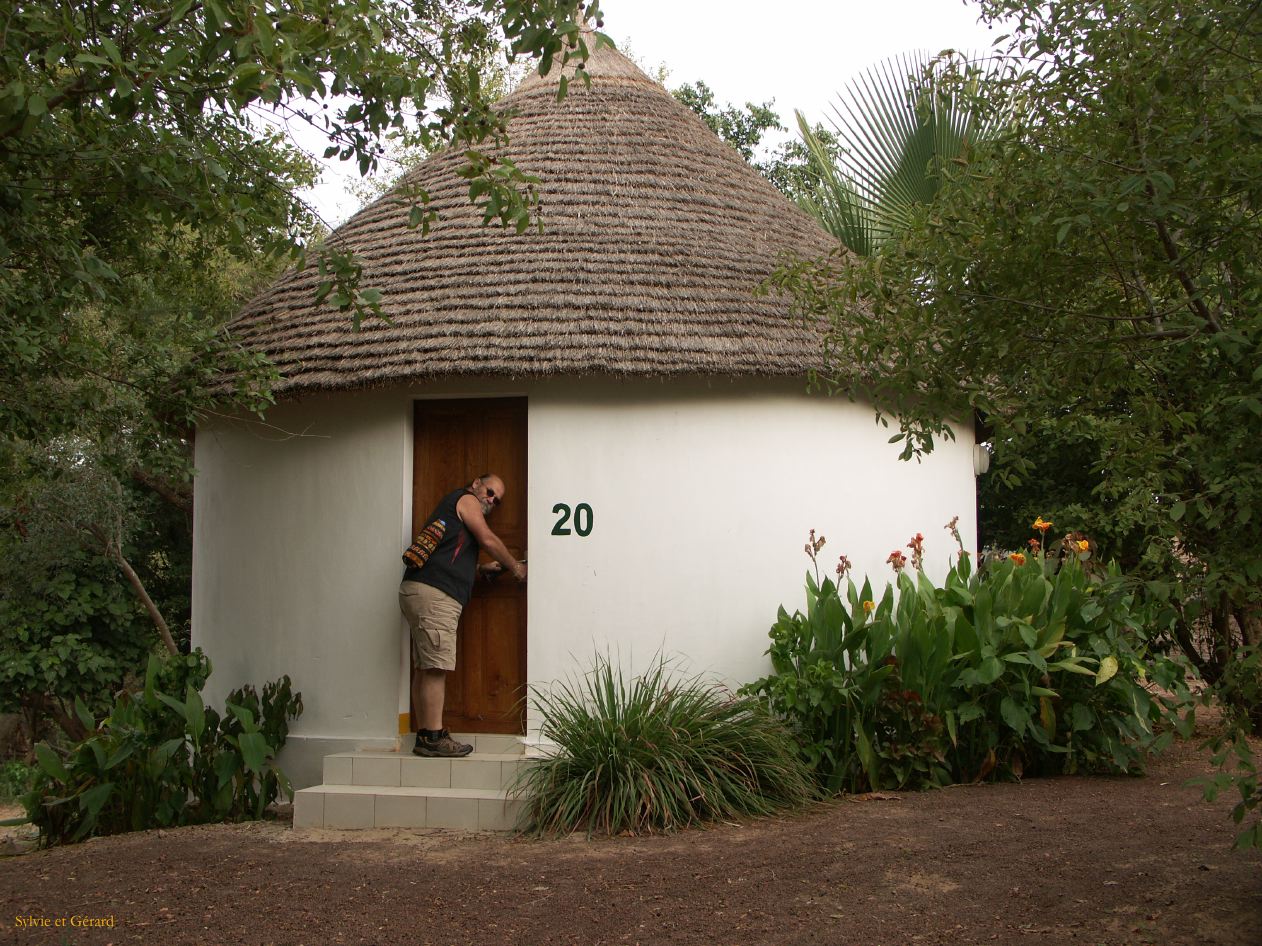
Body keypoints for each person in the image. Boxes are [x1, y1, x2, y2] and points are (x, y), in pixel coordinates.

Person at [398, 474, 526, 757]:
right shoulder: (466, 499)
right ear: (476, 483)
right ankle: (433, 737)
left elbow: (447, 556)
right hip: (434, 594)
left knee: (426, 666)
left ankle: (426, 735)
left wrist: (480, 570)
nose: (491, 499)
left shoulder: (456, 509)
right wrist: (516, 568)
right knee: (435, 666)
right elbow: (488, 539)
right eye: (490, 491)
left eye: (497, 499)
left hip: (421, 590)